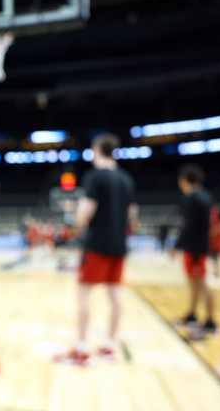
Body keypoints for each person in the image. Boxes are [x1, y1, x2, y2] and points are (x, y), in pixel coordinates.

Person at [55, 133, 138, 366]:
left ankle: (81, 349)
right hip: (119, 245)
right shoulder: (126, 179)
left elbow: (86, 213)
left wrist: (77, 218)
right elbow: (132, 214)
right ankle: (110, 347)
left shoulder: (95, 177)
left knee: (83, 293)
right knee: (114, 295)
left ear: (98, 150)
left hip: (97, 244)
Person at [171, 163, 220, 337]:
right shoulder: (206, 196)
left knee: (202, 284)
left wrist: (176, 246)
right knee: (194, 284)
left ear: (184, 180)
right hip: (199, 248)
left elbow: (189, 227)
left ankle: (211, 322)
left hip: (195, 249)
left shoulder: (192, 198)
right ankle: (192, 315)